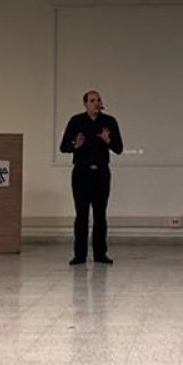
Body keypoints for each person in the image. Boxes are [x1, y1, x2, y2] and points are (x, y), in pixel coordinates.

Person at [59, 90, 123, 266]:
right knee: (81, 214)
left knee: (100, 214)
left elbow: (119, 148)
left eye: (98, 100)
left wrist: (108, 141)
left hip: (101, 173)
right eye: (92, 100)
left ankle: (100, 253)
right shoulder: (76, 121)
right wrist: (76, 145)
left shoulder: (109, 121)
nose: (96, 103)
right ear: (85, 104)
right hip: (81, 173)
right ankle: (79, 255)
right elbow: (63, 147)